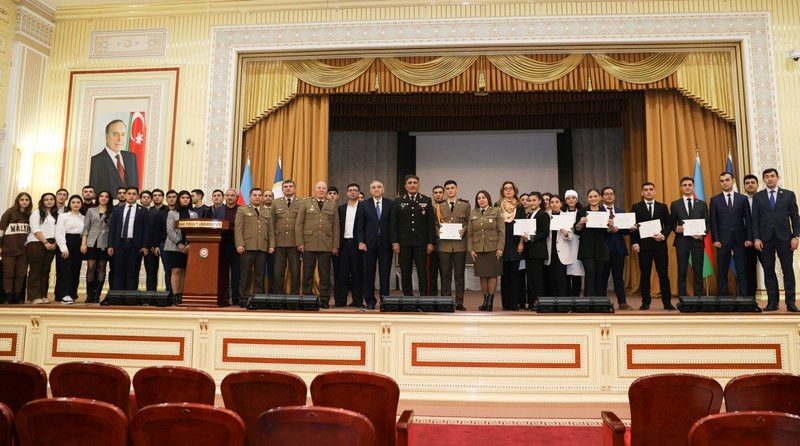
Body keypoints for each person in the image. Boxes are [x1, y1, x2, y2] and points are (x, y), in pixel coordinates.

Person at [752, 168, 800, 312]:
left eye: (772, 176)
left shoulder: (788, 195)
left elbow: (795, 217)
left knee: (788, 271)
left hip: (785, 238)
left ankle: (791, 303)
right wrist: (756, 238)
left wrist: (796, 236)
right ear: (763, 180)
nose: (770, 179)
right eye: (766, 177)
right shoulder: (758, 196)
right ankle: (772, 302)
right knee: (768, 271)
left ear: (778, 178)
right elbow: (755, 219)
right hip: (765, 239)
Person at [296, 181, 339, 308]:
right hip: (308, 243)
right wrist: (300, 242)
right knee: (308, 273)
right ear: (315, 190)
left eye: (323, 188)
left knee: (324, 274)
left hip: (326, 244)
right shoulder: (306, 202)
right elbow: (299, 223)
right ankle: (307, 298)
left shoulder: (332, 204)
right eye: (319, 188)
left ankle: (324, 299)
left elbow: (336, 226)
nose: (321, 190)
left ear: (326, 191)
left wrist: (335, 245)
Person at [631, 182, 673, 310]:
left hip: (660, 246)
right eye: (646, 190)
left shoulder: (662, 207)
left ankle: (667, 303)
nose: (648, 191)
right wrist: (635, 243)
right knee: (645, 275)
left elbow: (669, 225)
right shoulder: (636, 207)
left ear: (655, 192)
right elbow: (633, 227)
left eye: (651, 189)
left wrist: (663, 236)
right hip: (643, 247)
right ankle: (645, 302)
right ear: (642, 193)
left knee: (663, 275)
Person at [391, 175, 436, 296]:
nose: (412, 185)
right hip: (404, 243)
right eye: (410, 183)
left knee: (422, 272)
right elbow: (394, 223)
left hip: (421, 243)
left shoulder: (426, 200)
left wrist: (431, 242)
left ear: (419, 185)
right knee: (406, 272)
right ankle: (408, 298)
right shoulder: (398, 200)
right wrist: (395, 242)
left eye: (415, 182)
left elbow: (430, 223)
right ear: (405, 186)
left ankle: (423, 297)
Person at [710, 172, 752, 296]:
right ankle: (723, 298)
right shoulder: (715, 200)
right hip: (722, 241)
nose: (725, 182)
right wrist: (715, 239)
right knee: (722, 271)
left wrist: (749, 238)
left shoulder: (742, 198)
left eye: (727, 180)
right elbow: (713, 221)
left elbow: (748, 221)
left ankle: (744, 298)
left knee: (742, 270)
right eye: (722, 180)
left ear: (733, 181)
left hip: (741, 240)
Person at [235, 188, 274, 307]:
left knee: (259, 275)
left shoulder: (267, 211)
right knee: (245, 274)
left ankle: (258, 298)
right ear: (250, 197)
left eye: (259, 195)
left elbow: (270, 230)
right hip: (247, 247)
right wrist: (239, 243)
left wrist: (272, 245)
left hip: (262, 247)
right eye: (255, 195)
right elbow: (238, 228)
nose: (257, 197)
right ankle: (243, 298)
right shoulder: (242, 210)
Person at [670, 177, 709, 297]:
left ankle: (698, 297)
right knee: (682, 271)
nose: (687, 187)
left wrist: (702, 234)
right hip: (682, 241)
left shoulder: (702, 204)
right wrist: (676, 228)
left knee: (698, 270)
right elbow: (671, 223)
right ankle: (682, 297)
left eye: (689, 185)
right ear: (681, 188)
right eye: (684, 185)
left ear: (693, 187)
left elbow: (707, 223)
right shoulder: (675, 204)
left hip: (697, 241)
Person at [436, 180, 471, 311]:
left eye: (452, 188)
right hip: (444, 245)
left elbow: (469, 222)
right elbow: (435, 223)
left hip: (459, 245)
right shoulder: (439, 206)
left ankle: (459, 302)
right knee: (445, 275)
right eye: (448, 189)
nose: (450, 190)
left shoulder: (465, 205)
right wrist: (437, 231)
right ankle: (446, 301)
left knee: (459, 275)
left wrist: (465, 230)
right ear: (445, 191)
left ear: (457, 189)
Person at [467, 190, 504, 312]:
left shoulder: (496, 211)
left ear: (488, 199)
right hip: (478, 249)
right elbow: (470, 234)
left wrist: (500, 248)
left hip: (493, 248)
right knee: (482, 275)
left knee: (492, 274)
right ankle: (485, 301)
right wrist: (471, 249)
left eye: (483, 197)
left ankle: (490, 302)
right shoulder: (473, 213)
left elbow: (501, 231)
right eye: (479, 198)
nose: (481, 200)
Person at [107, 187, 150, 291]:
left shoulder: (143, 210)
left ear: (138, 196)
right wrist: (110, 245)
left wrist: (145, 246)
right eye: (129, 193)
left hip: (135, 245)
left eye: (134, 194)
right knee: (118, 271)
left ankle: (130, 296)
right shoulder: (117, 210)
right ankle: (117, 296)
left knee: (133, 271)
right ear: (125, 195)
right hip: (119, 244)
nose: (131, 196)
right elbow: (112, 228)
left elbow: (146, 229)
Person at [362, 180, 393, 310]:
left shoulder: (391, 204)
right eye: (373, 187)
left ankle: (385, 299)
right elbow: (359, 225)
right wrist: (361, 241)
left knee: (385, 273)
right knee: (369, 273)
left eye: (379, 187)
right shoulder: (364, 204)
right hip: (368, 244)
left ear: (383, 189)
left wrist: (394, 241)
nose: (376, 189)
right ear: (370, 190)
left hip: (386, 243)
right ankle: (370, 300)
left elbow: (394, 224)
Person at [574, 189, 611, 297]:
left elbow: (608, 232)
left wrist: (610, 225)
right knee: (590, 273)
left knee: (600, 274)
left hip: (601, 248)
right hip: (586, 248)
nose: (593, 198)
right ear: (587, 199)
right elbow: (577, 229)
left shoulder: (604, 212)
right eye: (590, 197)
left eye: (595, 196)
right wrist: (580, 223)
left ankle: (600, 301)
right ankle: (588, 300)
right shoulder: (582, 211)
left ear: (600, 198)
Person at [335, 184, 366, 307]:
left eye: (355, 190)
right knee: (342, 274)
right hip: (343, 244)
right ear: (347, 193)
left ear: (359, 193)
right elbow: (337, 228)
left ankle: (357, 301)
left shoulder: (364, 208)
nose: (352, 192)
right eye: (350, 190)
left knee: (357, 274)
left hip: (357, 244)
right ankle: (340, 301)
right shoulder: (341, 209)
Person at [89, 119, 139, 195]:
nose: (119, 139)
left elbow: (135, 187)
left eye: (123, 134)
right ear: (106, 137)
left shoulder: (131, 157)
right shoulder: (95, 161)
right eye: (115, 134)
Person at [601, 187, 631, 310]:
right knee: (603, 277)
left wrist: (627, 228)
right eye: (606, 194)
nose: (609, 196)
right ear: (602, 197)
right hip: (603, 249)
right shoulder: (598, 211)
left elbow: (626, 230)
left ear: (614, 196)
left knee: (618, 277)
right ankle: (603, 302)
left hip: (618, 249)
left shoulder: (620, 211)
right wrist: (608, 229)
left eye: (611, 194)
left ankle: (622, 302)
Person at [165, 191, 198, 302]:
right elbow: (170, 230)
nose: (185, 199)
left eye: (187, 197)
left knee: (184, 270)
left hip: (189, 247)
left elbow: (195, 231)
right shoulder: (172, 213)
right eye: (183, 197)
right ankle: (176, 295)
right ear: (179, 199)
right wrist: (179, 243)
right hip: (174, 246)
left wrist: (189, 245)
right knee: (176, 270)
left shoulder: (194, 214)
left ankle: (182, 295)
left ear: (190, 200)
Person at [497, 181, 525, 310]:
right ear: (503, 191)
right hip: (502, 243)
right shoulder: (497, 205)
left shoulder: (519, 206)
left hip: (515, 244)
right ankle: (506, 304)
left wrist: (521, 243)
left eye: (510, 188)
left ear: (515, 191)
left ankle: (514, 304)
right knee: (504, 275)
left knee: (514, 275)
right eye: (506, 189)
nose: (508, 191)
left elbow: (522, 225)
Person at [271, 180, 302, 295]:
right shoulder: (275, 203)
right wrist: (272, 243)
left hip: (295, 243)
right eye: (286, 187)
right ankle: (278, 295)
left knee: (295, 272)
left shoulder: (301, 202)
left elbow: (303, 223)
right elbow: (271, 224)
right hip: (279, 243)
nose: (288, 188)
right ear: (282, 189)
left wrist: (301, 242)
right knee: (277, 272)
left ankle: (294, 295)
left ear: (294, 188)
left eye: (290, 186)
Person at [26, 193, 58, 304]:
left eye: (51, 199)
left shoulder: (56, 214)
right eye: (46, 199)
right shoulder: (37, 213)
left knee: (45, 270)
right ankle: (34, 296)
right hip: (36, 242)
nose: (49, 201)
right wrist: (45, 242)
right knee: (36, 270)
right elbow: (35, 229)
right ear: (42, 201)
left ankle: (43, 295)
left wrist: (55, 243)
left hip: (51, 243)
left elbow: (58, 230)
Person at [0, 192, 32, 304]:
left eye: (27, 200)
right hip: (8, 249)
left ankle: (18, 295)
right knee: (8, 273)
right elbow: (1, 231)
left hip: (23, 250)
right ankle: (7, 295)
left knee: (21, 273)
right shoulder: (9, 213)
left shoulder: (30, 215)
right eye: (22, 199)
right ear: (18, 201)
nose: (24, 202)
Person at [81, 190, 111, 303]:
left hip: (105, 243)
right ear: (98, 198)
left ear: (109, 199)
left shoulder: (112, 211)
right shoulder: (91, 210)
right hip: (91, 242)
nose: (103, 198)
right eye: (101, 196)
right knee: (91, 268)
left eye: (106, 197)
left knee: (102, 268)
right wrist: (83, 243)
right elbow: (86, 227)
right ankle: (89, 294)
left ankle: (97, 294)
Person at [521, 192, 549, 311]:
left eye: (534, 200)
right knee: (531, 278)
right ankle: (532, 302)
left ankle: (540, 303)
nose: (531, 202)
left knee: (537, 278)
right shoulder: (530, 215)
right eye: (530, 200)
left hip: (538, 251)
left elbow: (545, 233)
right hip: (529, 252)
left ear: (539, 201)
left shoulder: (543, 215)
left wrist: (531, 238)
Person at [55, 195, 84, 304]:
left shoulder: (84, 217)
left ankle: (72, 293)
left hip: (78, 244)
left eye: (78, 202)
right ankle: (64, 294)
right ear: (70, 204)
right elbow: (59, 232)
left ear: (81, 204)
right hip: (65, 243)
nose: (76, 204)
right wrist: (63, 247)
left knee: (75, 269)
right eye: (73, 202)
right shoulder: (63, 216)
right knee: (65, 270)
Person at [214, 188, 241, 305]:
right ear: (225, 197)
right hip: (222, 244)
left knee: (237, 272)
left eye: (232, 195)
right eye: (228, 195)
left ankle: (236, 297)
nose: (230, 197)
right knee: (222, 272)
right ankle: (223, 296)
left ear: (236, 197)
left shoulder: (242, 209)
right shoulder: (218, 210)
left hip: (237, 245)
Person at [546, 195, 577, 297]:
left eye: (557, 202)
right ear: (549, 204)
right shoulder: (546, 216)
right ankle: (553, 303)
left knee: (561, 280)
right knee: (551, 279)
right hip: (549, 251)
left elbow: (572, 236)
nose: (554, 204)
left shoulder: (566, 217)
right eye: (552, 202)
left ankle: (562, 304)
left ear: (561, 204)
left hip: (562, 252)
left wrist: (566, 234)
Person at [152, 190, 177, 293]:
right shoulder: (160, 213)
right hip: (164, 245)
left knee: (177, 270)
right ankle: (169, 293)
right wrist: (156, 245)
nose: (171, 199)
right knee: (168, 270)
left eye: (174, 197)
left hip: (178, 245)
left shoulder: (180, 212)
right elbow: (156, 230)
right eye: (169, 197)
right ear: (166, 199)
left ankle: (177, 293)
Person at [742, 174, 761, 297]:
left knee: (768, 269)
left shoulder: (763, 199)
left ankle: (773, 301)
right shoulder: (740, 200)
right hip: (746, 241)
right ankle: (750, 298)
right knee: (748, 270)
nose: (750, 184)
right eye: (747, 183)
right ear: (744, 186)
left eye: (752, 182)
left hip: (764, 240)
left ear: (758, 185)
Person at [563, 190, 584, 296]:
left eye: (573, 198)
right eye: (568, 198)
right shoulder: (562, 214)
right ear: (565, 201)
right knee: (566, 274)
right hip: (564, 244)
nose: (571, 200)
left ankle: (575, 297)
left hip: (577, 244)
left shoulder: (582, 213)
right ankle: (567, 298)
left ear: (577, 199)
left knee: (576, 273)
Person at [143, 189, 164, 291]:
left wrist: (156, 245)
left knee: (156, 271)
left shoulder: (161, 211)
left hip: (157, 246)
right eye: (144, 197)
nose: (157, 197)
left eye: (159, 195)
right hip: (143, 246)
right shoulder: (143, 211)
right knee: (149, 272)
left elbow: (158, 230)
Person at [429, 185, 445, 295]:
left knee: (445, 274)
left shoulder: (449, 207)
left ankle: (445, 298)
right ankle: (432, 298)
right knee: (432, 274)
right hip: (432, 245)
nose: (438, 194)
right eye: (435, 192)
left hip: (446, 246)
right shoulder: (428, 207)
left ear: (443, 194)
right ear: (433, 194)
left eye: (440, 192)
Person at [262, 189, 276, 293]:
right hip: (260, 244)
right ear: (262, 198)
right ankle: (259, 294)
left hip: (274, 244)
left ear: (273, 198)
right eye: (265, 196)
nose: (268, 197)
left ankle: (272, 293)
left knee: (274, 270)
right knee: (259, 271)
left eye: (270, 196)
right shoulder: (258, 210)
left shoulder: (276, 210)